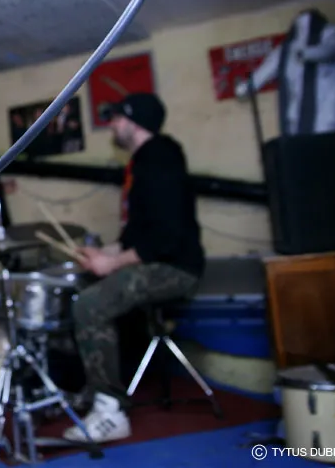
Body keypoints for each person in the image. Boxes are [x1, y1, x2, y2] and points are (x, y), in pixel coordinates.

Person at [63, 92, 205, 443]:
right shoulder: (143, 162)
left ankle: (110, 413)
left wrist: (112, 263)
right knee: (81, 289)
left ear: (133, 122)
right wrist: (100, 254)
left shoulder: (160, 159)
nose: (111, 125)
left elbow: (165, 239)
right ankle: (95, 387)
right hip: (156, 261)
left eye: (116, 118)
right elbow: (135, 239)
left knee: (90, 305)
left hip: (176, 269)